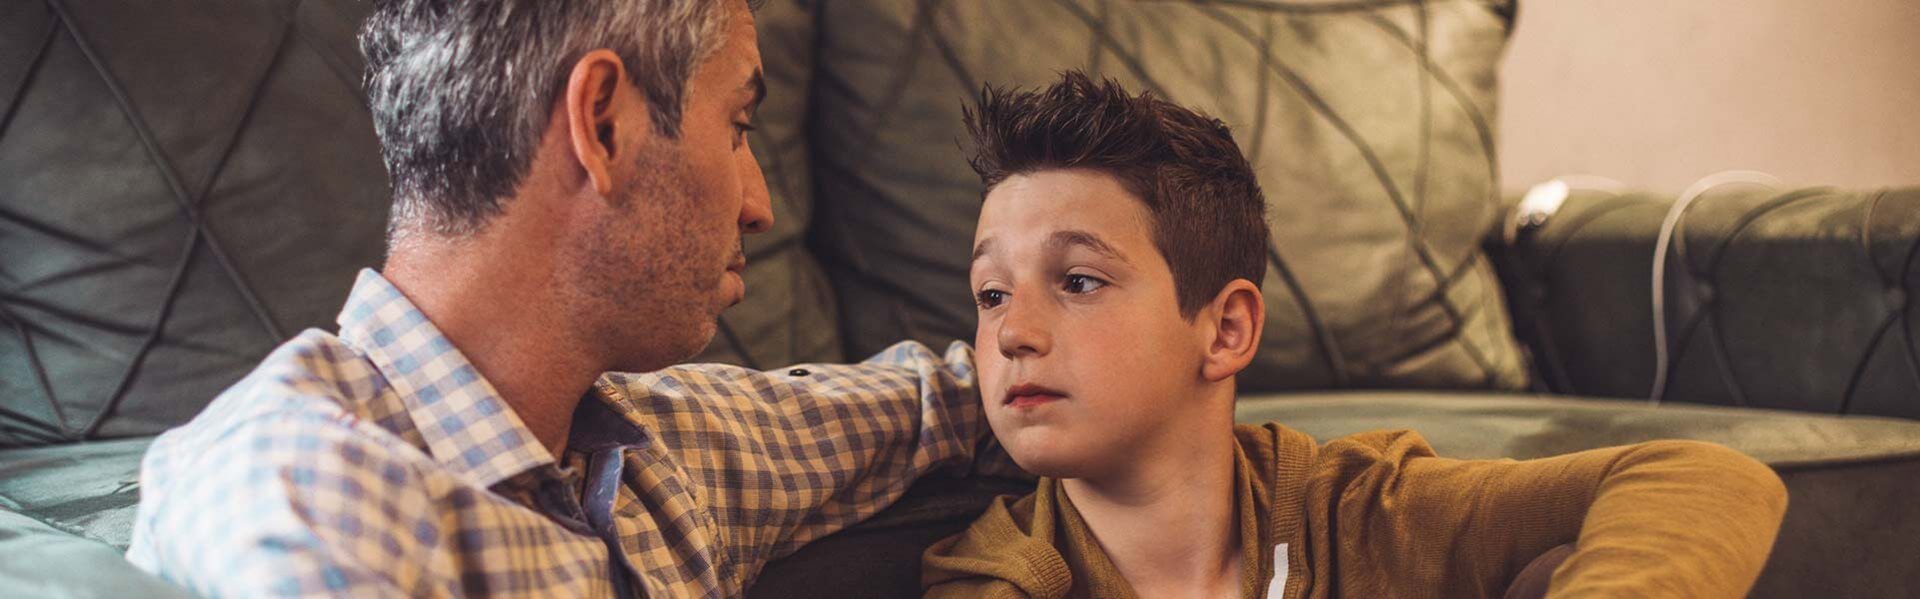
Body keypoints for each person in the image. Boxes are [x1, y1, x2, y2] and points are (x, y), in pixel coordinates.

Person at [127, 1, 1009, 596]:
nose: (759, 203)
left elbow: (956, 401)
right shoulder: (309, 492)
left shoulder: (652, 451)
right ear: (603, 124)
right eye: (738, 127)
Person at [920, 72, 1789, 598]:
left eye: (1078, 281)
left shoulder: (1357, 511)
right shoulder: (995, 576)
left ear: (1225, 328)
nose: (1012, 331)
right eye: (991, 293)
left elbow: (1702, 477)